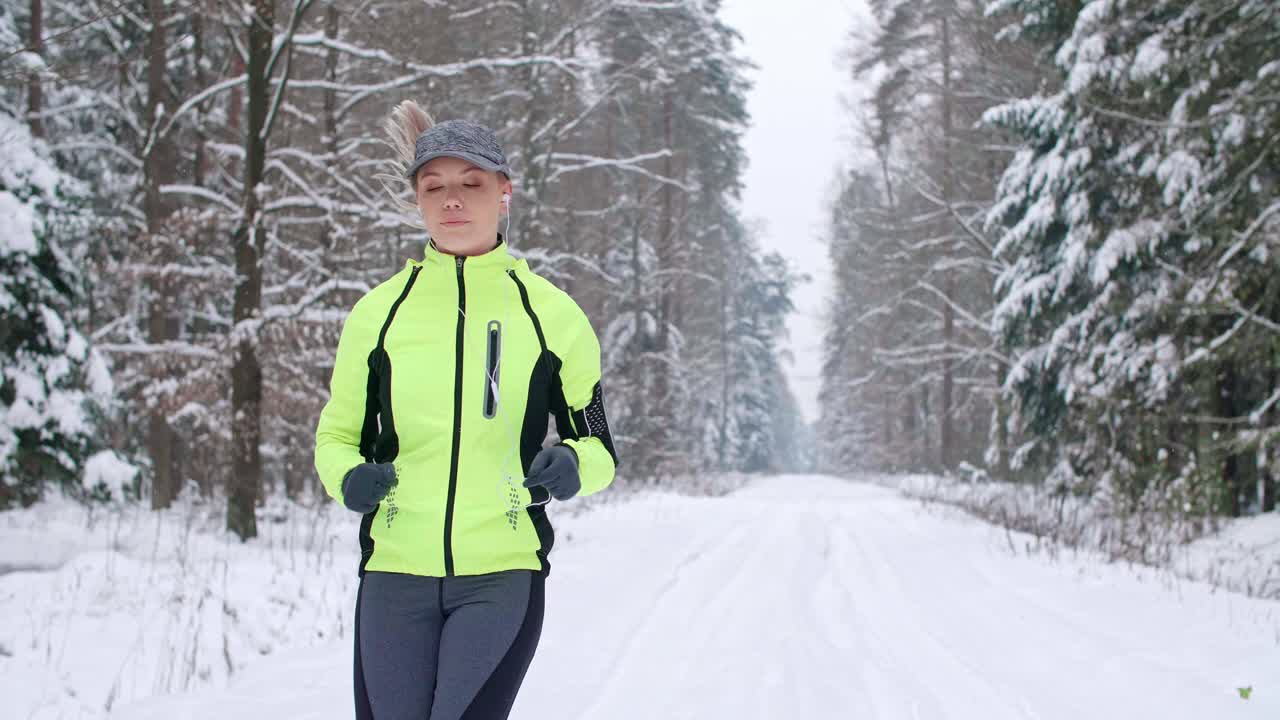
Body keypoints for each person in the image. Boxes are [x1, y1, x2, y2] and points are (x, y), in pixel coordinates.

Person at [314, 100, 618, 720]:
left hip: (501, 573)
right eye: (435, 187)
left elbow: (600, 447)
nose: (453, 199)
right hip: (394, 573)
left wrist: (574, 466)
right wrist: (347, 476)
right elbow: (337, 435)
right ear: (418, 200)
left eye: (471, 184)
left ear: (504, 192)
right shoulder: (379, 313)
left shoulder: (552, 315)